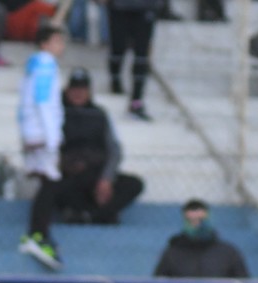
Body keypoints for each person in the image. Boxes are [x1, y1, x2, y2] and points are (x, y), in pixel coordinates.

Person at [37, 67, 144, 228]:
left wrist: (106, 178)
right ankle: (99, 214)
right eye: (74, 89)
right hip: (69, 174)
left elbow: (114, 149)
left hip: (97, 175)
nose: (78, 93)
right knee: (53, 188)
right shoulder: (56, 114)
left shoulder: (99, 114)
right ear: (67, 90)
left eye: (82, 89)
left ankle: (89, 215)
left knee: (134, 184)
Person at [17, 25, 65, 269]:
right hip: (42, 135)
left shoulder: (32, 64)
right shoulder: (46, 63)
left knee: (46, 182)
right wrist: (53, 136)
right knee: (52, 180)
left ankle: (35, 234)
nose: (61, 46)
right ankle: (38, 234)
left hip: (31, 132)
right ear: (45, 43)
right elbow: (44, 101)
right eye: (57, 41)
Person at [152, 199, 249, 278]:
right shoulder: (171, 254)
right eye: (191, 221)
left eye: (201, 220)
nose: (197, 225)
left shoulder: (228, 253)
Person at [105, 0, 163, 120]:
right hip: (119, 7)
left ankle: (137, 99)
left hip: (145, 7)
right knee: (118, 48)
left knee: (141, 54)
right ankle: (115, 82)